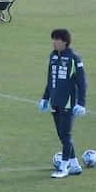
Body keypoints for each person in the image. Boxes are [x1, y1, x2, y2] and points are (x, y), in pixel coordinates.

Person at [39, 28, 87, 178]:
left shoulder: (74, 58)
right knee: (61, 135)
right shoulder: (53, 57)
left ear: (64, 42)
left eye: (57, 40)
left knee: (66, 136)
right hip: (55, 102)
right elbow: (50, 80)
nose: (54, 42)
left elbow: (82, 83)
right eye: (53, 39)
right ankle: (75, 165)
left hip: (68, 103)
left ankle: (63, 168)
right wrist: (45, 98)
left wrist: (81, 103)